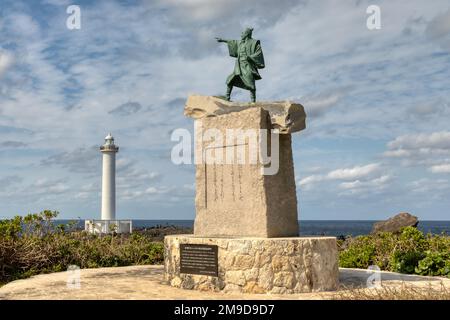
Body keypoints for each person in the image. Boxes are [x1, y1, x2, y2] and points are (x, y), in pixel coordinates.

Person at [215, 27, 265, 103]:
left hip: (248, 66)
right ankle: (227, 97)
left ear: (247, 34)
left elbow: (258, 53)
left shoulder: (254, 43)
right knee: (230, 80)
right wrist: (222, 40)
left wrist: (250, 57)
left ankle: (253, 101)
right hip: (239, 66)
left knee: (251, 83)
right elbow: (233, 42)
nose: (241, 34)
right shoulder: (240, 42)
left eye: (243, 33)